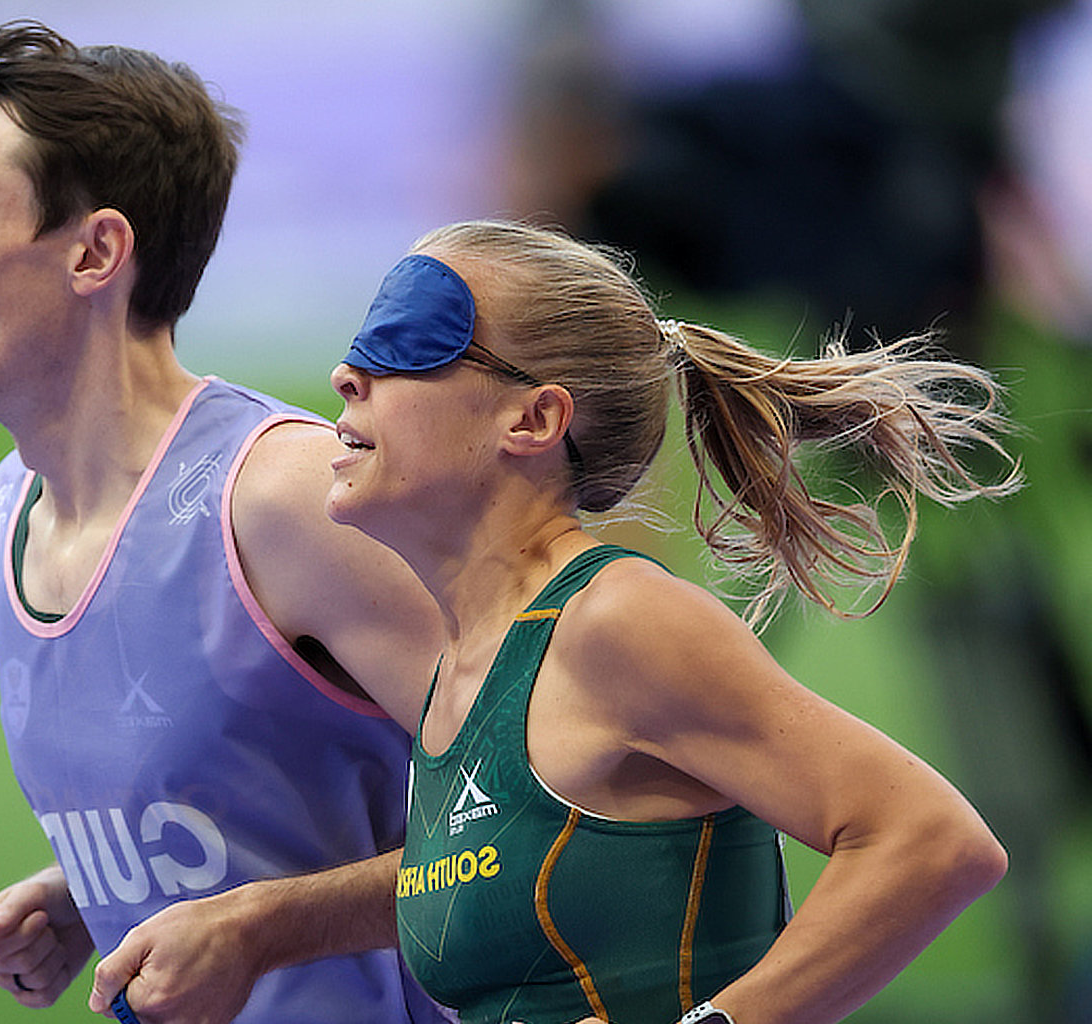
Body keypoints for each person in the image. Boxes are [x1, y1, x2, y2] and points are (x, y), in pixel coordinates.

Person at [0, 21, 449, 1024]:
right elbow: (265, 806)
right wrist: (105, 893)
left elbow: (549, 821)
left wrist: (262, 926)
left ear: (96, 252)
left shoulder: (286, 499)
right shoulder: (2, 516)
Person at [324, 219, 1018, 1024]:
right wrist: (253, 927)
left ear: (534, 421)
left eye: (407, 343)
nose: (347, 373)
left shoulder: (616, 621)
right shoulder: (463, 665)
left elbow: (934, 842)